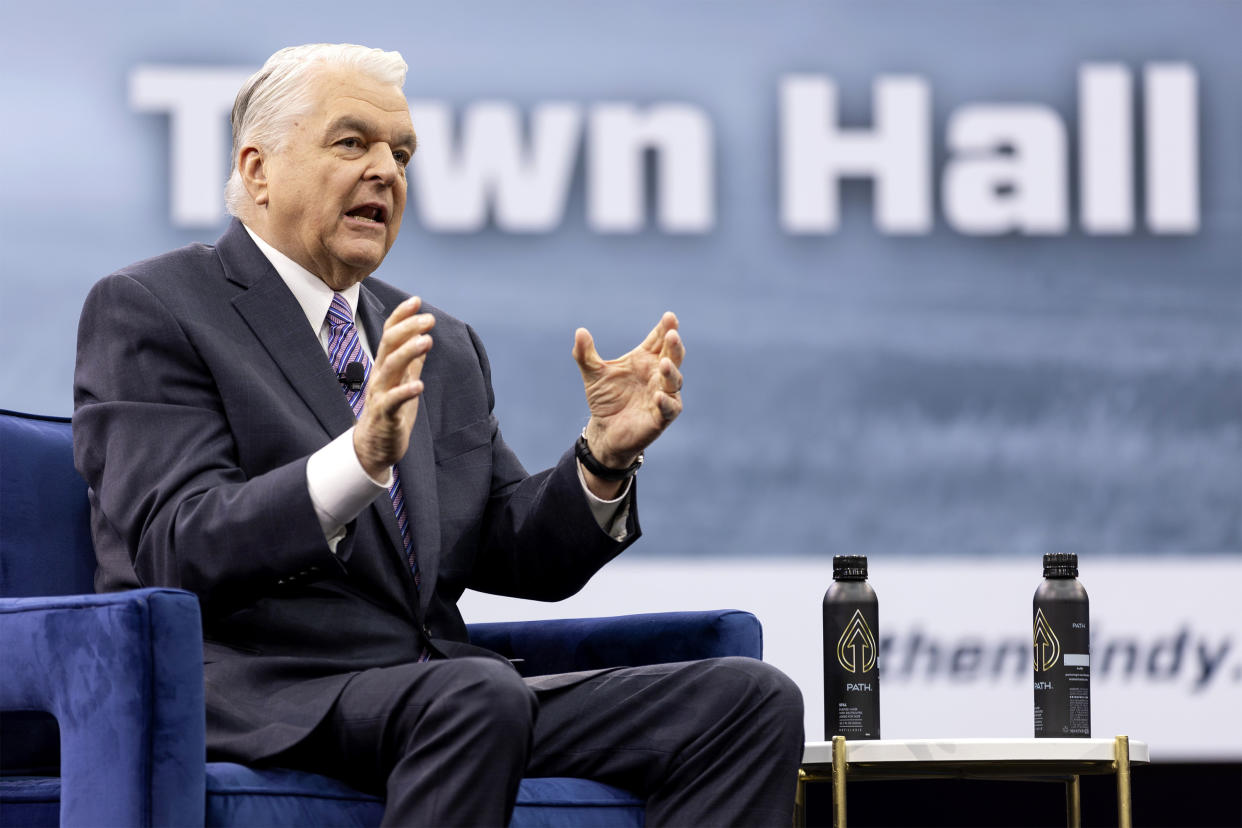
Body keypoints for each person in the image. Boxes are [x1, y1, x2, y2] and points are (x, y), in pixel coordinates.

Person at [73, 43, 803, 826]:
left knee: (747, 702)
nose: (387, 170)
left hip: (444, 693)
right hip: (269, 692)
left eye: (402, 152)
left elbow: (510, 545)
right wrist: (355, 463)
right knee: (475, 697)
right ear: (257, 169)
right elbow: (174, 545)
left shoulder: (436, 339)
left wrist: (601, 460)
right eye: (352, 143)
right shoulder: (154, 307)